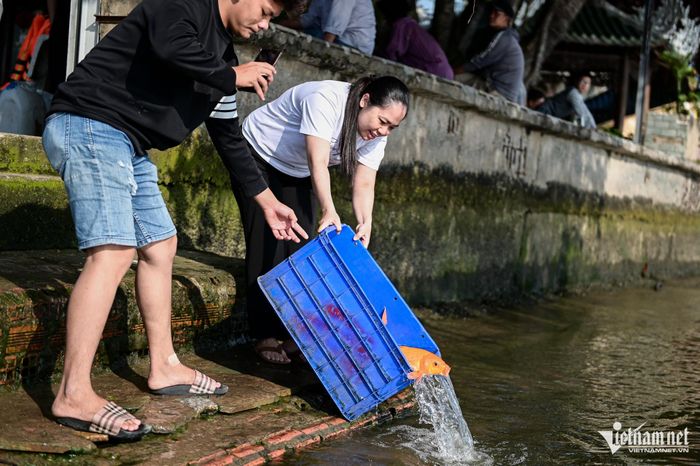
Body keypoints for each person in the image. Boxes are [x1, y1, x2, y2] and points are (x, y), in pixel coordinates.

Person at [41, 0, 307, 441]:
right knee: (114, 251)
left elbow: (228, 138)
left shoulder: (221, 59)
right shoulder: (182, 6)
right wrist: (231, 77)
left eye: (271, 20)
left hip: (129, 143)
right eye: (263, 11)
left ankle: (163, 365)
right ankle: (72, 392)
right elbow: (171, 47)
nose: (263, 25)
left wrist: (266, 200)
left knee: (161, 245)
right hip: (89, 122)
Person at [240, 76, 409, 363]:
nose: (383, 131)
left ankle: (296, 337)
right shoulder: (326, 99)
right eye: (382, 121)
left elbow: (365, 183)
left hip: (296, 170)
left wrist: (365, 221)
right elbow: (317, 162)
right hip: (258, 154)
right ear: (364, 101)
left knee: (302, 249)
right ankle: (264, 334)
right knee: (270, 241)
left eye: (392, 127)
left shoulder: (375, 135)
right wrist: (329, 209)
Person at [453, 0, 525, 104]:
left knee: (453, 78)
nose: (492, 16)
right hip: (492, 85)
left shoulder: (505, 38)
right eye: (492, 12)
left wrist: (456, 70)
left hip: (499, 93)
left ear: (506, 19)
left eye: (497, 14)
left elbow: (480, 61)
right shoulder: (507, 37)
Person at [375, 0, 453, 80]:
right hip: (443, 71)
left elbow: (391, 55)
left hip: (435, 72)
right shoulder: (410, 24)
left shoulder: (402, 25)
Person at [281, 0, 376, 55]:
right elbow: (308, 20)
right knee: (307, 33)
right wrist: (279, 25)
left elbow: (334, 27)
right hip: (336, 38)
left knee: (310, 37)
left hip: (354, 46)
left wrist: (323, 52)